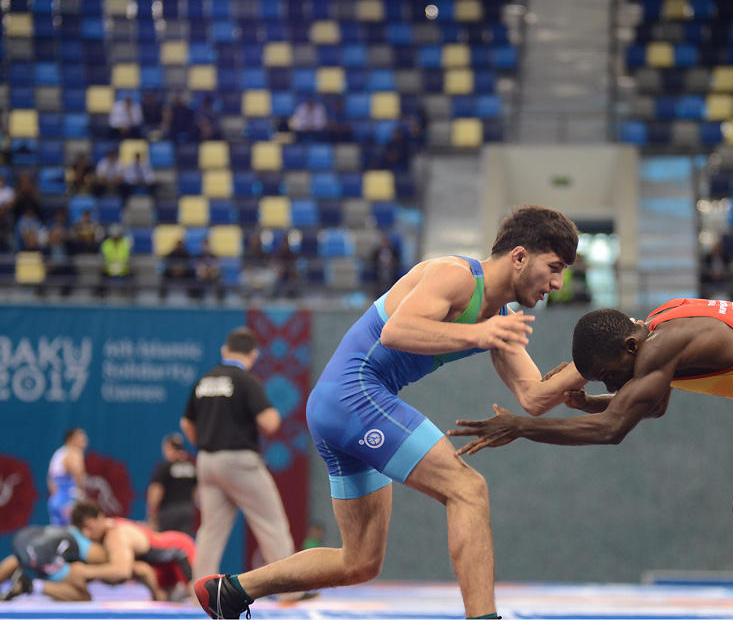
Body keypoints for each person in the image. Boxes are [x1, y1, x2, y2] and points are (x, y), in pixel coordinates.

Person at [193, 205, 585, 620]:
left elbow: (534, 395)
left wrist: (595, 365)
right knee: (468, 490)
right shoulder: (456, 275)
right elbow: (395, 331)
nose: (557, 284)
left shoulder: (501, 317)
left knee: (360, 561)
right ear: (520, 257)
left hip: (342, 407)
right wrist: (477, 333)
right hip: (353, 394)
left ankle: (231, 592)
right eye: (554, 267)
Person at [451, 298, 733, 619]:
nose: (613, 383)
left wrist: (521, 426)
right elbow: (651, 405)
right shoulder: (653, 336)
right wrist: (590, 403)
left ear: (628, 347)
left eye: (610, 375)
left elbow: (614, 429)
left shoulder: (663, 345)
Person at [180, 328, 296, 588]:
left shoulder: (205, 380)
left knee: (211, 530)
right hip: (239, 461)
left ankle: (199, 589)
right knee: (271, 523)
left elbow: (186, 423)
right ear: (253, 355)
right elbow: (269, 422)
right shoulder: (246, 380)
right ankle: (290, 588)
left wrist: (204, 442)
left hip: (207, 461)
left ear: (224, 350)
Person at [70, 501, 195, 601]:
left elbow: (121, 572)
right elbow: (139, 570)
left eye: (89, 527)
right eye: (82, 530)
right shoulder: (107, 528)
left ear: (100, 517)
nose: (87, 534)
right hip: (164, 564)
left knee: (199, 604)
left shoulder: (115, 535)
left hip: (181, 553)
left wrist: (85, 572)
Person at [0, 524, 107, 601]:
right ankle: (31, 585)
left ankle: (28, 583)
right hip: (49, 553)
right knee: (83, 596)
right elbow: (114, 570)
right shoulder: (92, 551)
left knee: (21, 558)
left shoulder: (74, 533)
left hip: (31, 542)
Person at [147, 433, 197, 535]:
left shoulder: (165, 466)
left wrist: (152, 513)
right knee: (183, 542)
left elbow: (156, 490)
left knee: (167, 544)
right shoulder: (191, 467)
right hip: (187, 510)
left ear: (168, 448)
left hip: (168, 511)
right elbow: (196, 491)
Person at [48, 428, 87, 526]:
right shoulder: (74, 453)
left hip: (55, 501)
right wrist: (82, 494)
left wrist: (57, 497)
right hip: (68, 502)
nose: (85, 438)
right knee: (74, 535)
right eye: (80, 436)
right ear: (70, 439)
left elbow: (50, 480)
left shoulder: (59, 453)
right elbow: (78, 474)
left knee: (58, 535)